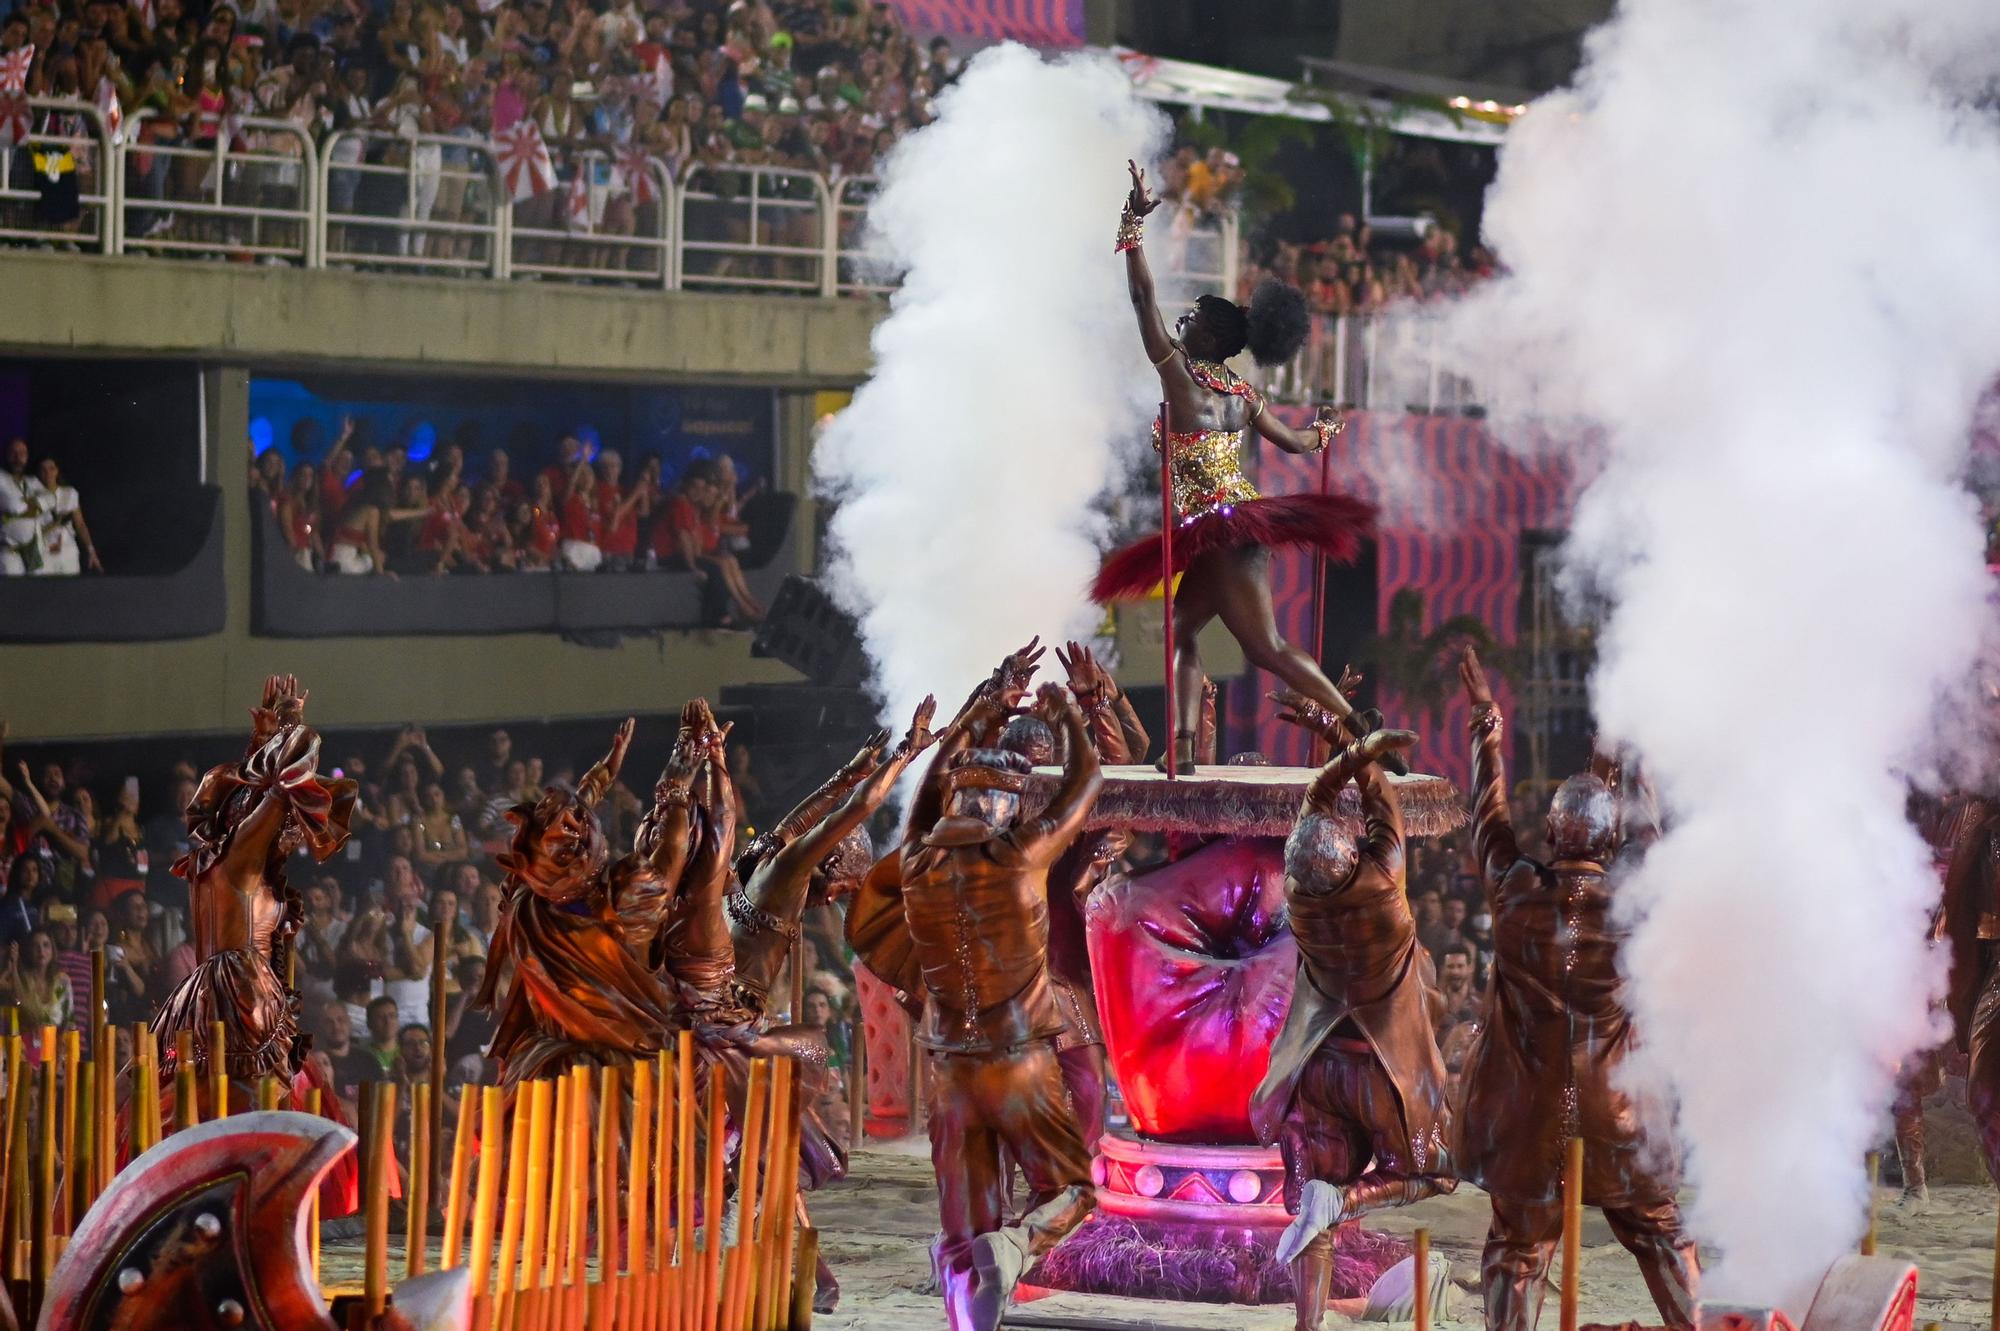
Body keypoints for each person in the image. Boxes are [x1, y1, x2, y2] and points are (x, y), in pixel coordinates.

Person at [1096, 162, 1377, 771]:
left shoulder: (1181, 377)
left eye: (1191, 317)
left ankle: (1356, 729)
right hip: (1231, 524)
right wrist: (1325, 428)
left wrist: (1133, 225)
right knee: (1184, 629)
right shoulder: (1245, 397)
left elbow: (1141, 297)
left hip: (1221, 531)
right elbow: (1301, 447)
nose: (1180, 319)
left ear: (1207, 337)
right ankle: (1185, 751)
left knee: (1266, 648)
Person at [850, 655, 1102, 1331]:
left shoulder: (917, 863)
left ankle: (979, 1289)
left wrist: (983, 708)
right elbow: (1088, 781)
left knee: (964, 1237)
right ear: (1006, 805)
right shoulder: (1020, 856)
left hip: (951, 1072)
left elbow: (928, 804)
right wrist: (1070, 715)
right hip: (1018, 1060)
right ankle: (1017, 1245)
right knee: (1072, 1190)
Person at [1452, 648, 1698, 1331]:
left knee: (1517, 1250)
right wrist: (1621, 761)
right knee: (1660, 1232)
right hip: (1619, 1112)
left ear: (1553, 833)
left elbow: (1487, 813)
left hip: (1528, 1119)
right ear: (1611, 835)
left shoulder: (1514, 891)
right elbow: (1651, 844)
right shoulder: (1632, 908)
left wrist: (1485, 725)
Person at [1250, 702, 1455, 1331]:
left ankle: (1307, 1324)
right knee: (1437, 1174)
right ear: (1357, 858)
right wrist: (1350, 739)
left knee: (1312, 1213)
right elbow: (1379, 800)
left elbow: (1318, 796)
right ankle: (1341, 1198)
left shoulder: (1300, 899)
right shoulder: (1383, 892)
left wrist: (1335, 737)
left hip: (1316, 1069)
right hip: (1379, 1075)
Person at [152, 675, 358, 1123]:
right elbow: (282, 787)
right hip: (242, 1001)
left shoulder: (213, 861)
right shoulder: (240, 856)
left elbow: (255, 785)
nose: (289, 834)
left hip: (212, 996)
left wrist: (263, 737)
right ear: (244, 820)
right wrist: (289, 727)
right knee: (263, 1112)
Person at [27, 456, 101, 575]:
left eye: (51, 469)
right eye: (43, 470)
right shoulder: (32, 497)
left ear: (57, 471)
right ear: (39, 473)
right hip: (43, 552)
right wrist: (54, 524)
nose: (48, 473)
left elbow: (80, 524)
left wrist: (91, 550)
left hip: (67, 551)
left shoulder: (69, 493)